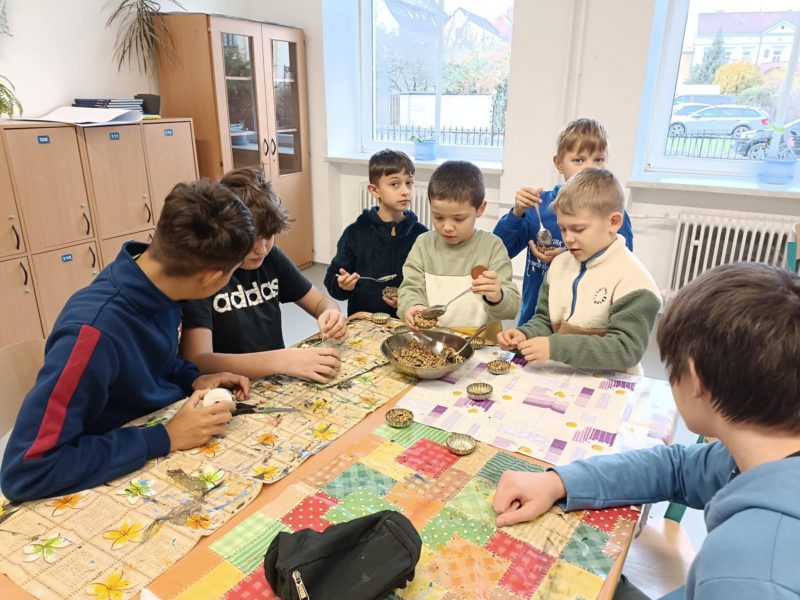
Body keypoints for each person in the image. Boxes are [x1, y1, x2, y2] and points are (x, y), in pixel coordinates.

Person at [493, 262, 800, 599]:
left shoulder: (752, 575)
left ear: (694, 379)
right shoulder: (755, 455)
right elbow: (676, 467)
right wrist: (559, 482)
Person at [1, 180, 255, 502]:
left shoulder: (160, 282)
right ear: (211, 278)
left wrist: (192, 379)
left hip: (149, 433)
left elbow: (156, 362)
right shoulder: (91, 333)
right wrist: (165, 437)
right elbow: (25, 472)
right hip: (103, 466)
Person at [181, 167, 348, 384]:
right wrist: (281, 360)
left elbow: (320, 303)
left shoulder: (271, 257)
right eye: (252, 239)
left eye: (269, 237)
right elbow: (198, 360)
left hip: (273, 381)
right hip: (228, 388)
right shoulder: (207, 273)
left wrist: (330, 314)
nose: (261, 250)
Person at [497, 168, 659, 373]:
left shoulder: (635, 281)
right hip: (563, 377)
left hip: (612, 383)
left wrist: (555, 347)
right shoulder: (558, 265)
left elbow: (626, 349)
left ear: (614, 222)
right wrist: (525, 334)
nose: (568, 238)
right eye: (563, 229)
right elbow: (546, 320)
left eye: (578, 229)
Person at [493, 118, 634, 326]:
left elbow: (620, 268)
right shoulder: (538, 207)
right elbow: (499, 252)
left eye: (598, 160)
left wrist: (566, 260)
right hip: (534, 321)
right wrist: (516, 214)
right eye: (578, 160)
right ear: (559, 163)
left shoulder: (613, 214)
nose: (589, 168)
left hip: (584, 328)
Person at [398, 160, 519, 340]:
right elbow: (409, 288)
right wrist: (413, 306)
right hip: (433, 341)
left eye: (459, 219)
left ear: (480, 208)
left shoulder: (492, 247)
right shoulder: (423, 244)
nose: (447, 227)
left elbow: (511, 308)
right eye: (438, 217)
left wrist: (498, 296)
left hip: (482, 343)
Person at [324, 149, 428, 317]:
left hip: (406, 322)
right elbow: (332, 278)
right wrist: (342, 285)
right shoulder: (355, 233)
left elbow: (429, 284)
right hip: (364, 323)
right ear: (374, 190)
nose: (405, 191)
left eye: (409, 183)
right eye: (395, 184)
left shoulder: (421, 236)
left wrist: (410, 301)